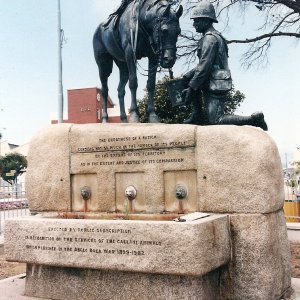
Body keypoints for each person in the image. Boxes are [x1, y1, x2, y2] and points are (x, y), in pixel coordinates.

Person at [182, 1, 268, 131]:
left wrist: (192, 87)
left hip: (214, 82)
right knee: (188, 79)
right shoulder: (214, 36)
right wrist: (188, 76)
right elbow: (207, 63)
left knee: (216, 120)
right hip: (213, 79)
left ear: (206, 21)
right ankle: (196, 115)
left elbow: (205, 65)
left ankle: (254, 120)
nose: (194, 24)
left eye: (197, 21)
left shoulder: (210, 38)